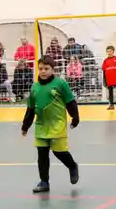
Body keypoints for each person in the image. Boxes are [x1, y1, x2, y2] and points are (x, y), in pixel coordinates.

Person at [20, 57, 81, 194]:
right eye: (41, 68)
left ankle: (72, 166)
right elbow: (30, 108)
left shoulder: (60, 83)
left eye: (46, 69)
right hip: (41, 125)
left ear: (53, 69)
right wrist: (25, 126)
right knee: (42, 155)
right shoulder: (35, 87)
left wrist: (75, 118)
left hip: (57, 124)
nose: (43, 71)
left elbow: (70, 102)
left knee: (59, 152)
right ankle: (44, 182)